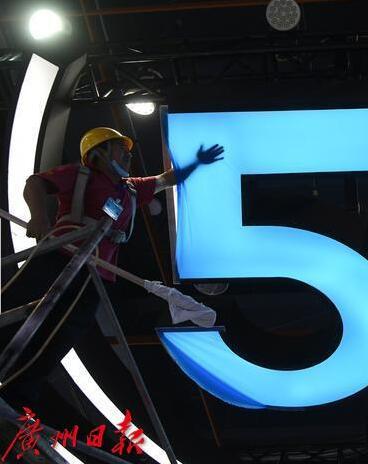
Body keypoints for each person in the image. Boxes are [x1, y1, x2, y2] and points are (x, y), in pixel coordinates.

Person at [0, 126, 223, 407]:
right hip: (62, 255)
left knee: (61, 335)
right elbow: (35, 183)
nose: (128, 155)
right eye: (121, 148)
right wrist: (39, 217)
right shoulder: (82, 175)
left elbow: (166, 179)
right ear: (100, 152)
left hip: (97, 275)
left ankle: (15, 395)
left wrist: (197, 163)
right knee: (18, 307)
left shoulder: (131, 189)